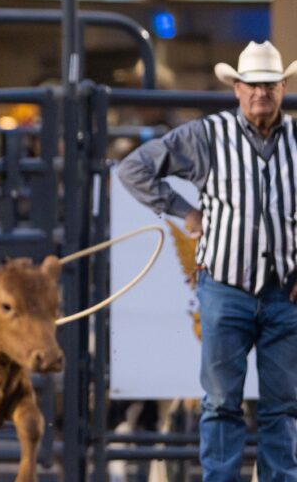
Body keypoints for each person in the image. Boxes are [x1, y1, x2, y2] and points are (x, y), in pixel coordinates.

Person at [119, 41, 297, 481]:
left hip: (283, 290)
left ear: (283, 87)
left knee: (281, 405)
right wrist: (184, 211)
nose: (262, 93)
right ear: (237, 88)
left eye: (270, 85)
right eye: (253, 85)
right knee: (221, 403)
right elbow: (135, 169)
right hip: (225, 287)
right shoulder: (206, 136)